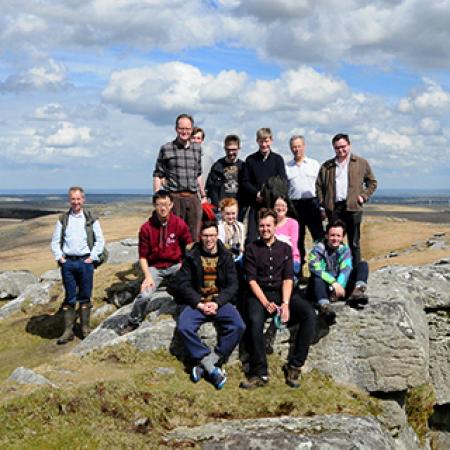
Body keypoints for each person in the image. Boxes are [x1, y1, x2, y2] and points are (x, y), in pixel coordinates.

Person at [240, 209, 316, 389]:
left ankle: (295, 365)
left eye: (269, 225)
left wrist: (286, 304)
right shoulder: (251, 249)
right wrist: (265, 302)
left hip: (283, 293)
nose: (265, 229)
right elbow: (251, 280)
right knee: (254, 321)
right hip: (259, 294)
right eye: (262, 226)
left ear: (275, 227)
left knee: (309, 314)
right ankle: (260, 372)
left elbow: (288, 278)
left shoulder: (285, 249)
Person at [170, 221, 246, 389]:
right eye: (205, 236)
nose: (209, 239)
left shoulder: (226, 256)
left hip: (219, 301)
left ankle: (207, 363)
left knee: (238, 325)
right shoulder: (191, 256)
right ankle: (209, 363)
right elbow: (182, 284)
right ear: (200, 237)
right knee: (184, 327)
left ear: (217, 236)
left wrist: (217, 303)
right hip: (197, 302)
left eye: (212, 235)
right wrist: (199, 303)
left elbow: (233, 285)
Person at [119, 190, 192, 335]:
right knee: (145, 295)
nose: (163, 208)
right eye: (159, 205)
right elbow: (143, 257)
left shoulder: (179, 224)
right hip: (155, 268)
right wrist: (148, 276)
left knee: (189, 287)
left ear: (171, 205)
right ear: (154, 205)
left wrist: (186, 266)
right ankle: (133, 320)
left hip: (175, 265)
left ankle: (187, 314)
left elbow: (189, 245)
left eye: (165, 204)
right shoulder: (146, 228)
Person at [51, 186, 105, 345]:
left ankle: (85, 329)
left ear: (83, 199)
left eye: (78, 199)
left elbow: (100, 240)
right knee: (69, 297)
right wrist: (60, 258)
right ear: (69, 200)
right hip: (68, 263)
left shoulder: (90, 218)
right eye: (73, 199)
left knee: (85, 296)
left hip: (85, 263)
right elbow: (55, 241)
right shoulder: (63, 219)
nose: (76, 202)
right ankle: (68, 331)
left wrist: (93, 257)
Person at [316, 133, 377, 264]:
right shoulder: (327, 166)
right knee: (334, 241)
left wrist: (363, 196)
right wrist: (323, 203)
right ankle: (334, 270)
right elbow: (319, 186)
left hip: (353, 207)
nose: (341, 150)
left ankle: (355, 274)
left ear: (349, 145)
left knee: (354, 242)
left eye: (343, 146)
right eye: (337, 148)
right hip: (333, 208)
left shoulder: (361, 163)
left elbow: (372, 182)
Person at [153, 114, 207, 240]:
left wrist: (203, 195)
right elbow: (158, 174)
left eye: (187, 129)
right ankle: (176, 260)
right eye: (181, 128)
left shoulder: (197, 149)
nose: (184, 132)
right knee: (174, 235)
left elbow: (198, 174)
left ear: (192, 129)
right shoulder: (166, 149)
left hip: (193, 198)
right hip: (174, 198)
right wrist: (157, 198)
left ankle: (191, 259)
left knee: (194, 236)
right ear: (176, 129)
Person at [308, 220, 369, 324]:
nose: (335, 238)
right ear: (326, 236)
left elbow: (346, 268)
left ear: (342, 237)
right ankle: (324, 307)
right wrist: (333, 283)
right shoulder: (317, 250)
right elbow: (316, 269)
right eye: (332, 235)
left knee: (362, 265)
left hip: (341, 288)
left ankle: (357, 292)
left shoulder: (345, 250)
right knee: (316, 278)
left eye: (338, 236)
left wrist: (339, 286)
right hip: (324, 287)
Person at [285, 135, 324, 280]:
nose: (296, 149)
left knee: (318, 238)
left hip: (313, 204)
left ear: (304, 146)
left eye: (299, 146)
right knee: (297, 240)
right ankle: (299, 272)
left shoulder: (314, 164)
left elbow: (321, 187)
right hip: (295, 206)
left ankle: (320, 270)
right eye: (294, 147)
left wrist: (322, 208)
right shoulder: (287, 167)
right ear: (291, 148)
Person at [240, 128, 287, 243]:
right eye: (261, 141)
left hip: (273, 205)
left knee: (274, 236)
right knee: (251, 237)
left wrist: (272, 195)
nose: (264, 144)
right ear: (257, 141)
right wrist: (257, 193)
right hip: (256, 205)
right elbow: (245, 182)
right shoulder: (250, 160)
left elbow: (282, 180)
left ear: (271, 141)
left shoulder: (278, 160)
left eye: (266, 141)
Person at [205, 134, 244, 209]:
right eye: (228, 149)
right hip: (221, 208)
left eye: (234, 150)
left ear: (239, 148)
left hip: (238, 208)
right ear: (224, 148)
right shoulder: (217, 166)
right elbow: (211, 188)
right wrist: (216, 204)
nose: (231, 153)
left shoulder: (243, 167)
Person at [273, 195, 301, 279]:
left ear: (287, 208)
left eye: (283, 206)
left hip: (291, 259)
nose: (280, 208)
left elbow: (292, 245)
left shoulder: (293, 223)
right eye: (277, 205)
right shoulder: (269, 224)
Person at [217, 197, 245, 262]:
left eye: (233, 213)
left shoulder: (240, 226)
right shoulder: (219, 227)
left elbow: (242, 245)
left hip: (238, 259)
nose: (231, 217)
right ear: (222, 213)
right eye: (227, 214)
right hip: (224, 260)